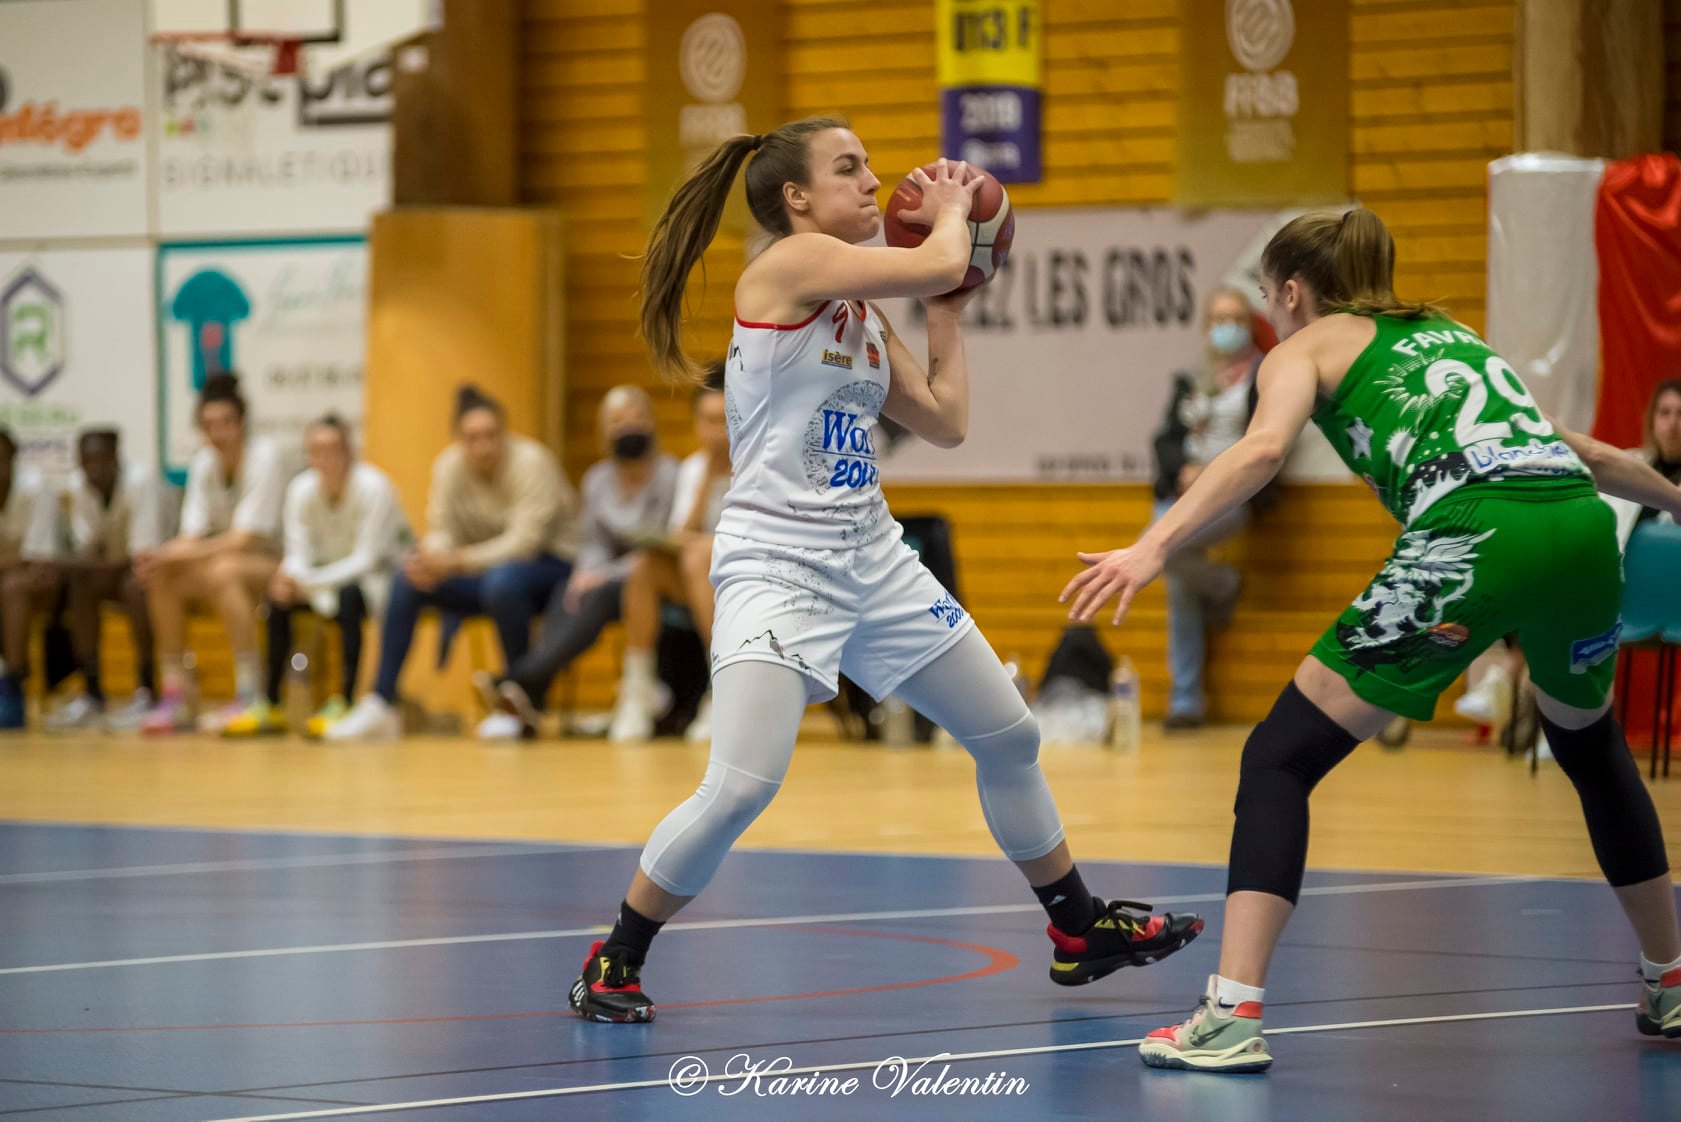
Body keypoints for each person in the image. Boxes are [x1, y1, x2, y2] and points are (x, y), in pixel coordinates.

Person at [567, 118, 1202, 1025]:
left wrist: (947, 315)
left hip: (872, 560)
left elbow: (944, 420)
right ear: (796, 201)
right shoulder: (784, 269)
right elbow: (940, 257)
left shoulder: (860, 318)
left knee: (1009, 737)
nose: (874, 183)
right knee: (742, 784)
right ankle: (614, 958)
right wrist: (954, 213)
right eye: (849, 168)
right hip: (777, 564)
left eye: (870, 168)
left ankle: (1076, 930)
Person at [1061, 207, 1681, 1072]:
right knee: (1589, 745)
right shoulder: (1446, 333)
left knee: (1278, 757)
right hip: (1578, 530)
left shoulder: (1301, 349)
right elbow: (1581, 452)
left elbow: (1261, 448)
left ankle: (1231, 1013)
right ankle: (1671, 980)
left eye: (1270, 301)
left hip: (1475, 535)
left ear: (1288, 290)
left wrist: (1154, 543)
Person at [326, 385, 576, 742]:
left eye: (491, 435)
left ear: (504, 434)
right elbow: (441, 529)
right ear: (459, 439)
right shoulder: (448, 466)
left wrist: (456, 561)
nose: (483, 445)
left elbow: (525, 544)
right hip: (484, 574)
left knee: (505, 581)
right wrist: (433, 560)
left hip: (552, 569)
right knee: (408, 579)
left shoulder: (532, 462)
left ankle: (520, 702)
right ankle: (382, 703)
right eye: (472, 437)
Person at [473, 385, 677, 741]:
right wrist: (586, 573)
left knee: (596, 594)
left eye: (637, 418)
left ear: (652, 424)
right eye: (617, 421)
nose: (628, 427)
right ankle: (528, 691)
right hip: (604, 580)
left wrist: (603, 576)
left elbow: (663, 546)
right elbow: (592, 543)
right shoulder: (597, 480)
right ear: (604, 432)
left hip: (649, 582)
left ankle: (518, 681)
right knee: (569, 589)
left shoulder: (671, 475)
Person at [221, 414, 409, 738]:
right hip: (320, 580)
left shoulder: (375, 487)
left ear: (349, 451)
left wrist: (308, 581)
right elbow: (297, 551)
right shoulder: (300, 489)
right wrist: (289, 577)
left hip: (374, 581)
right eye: (315, 450)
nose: (324, 458)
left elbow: (367, 560)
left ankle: (346, 700)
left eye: (332, 449)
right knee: (278, 594)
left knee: (350, 595)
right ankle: (270, 703)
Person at [137, 373, 288, 735]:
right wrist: (158, 556)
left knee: (224, 569)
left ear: (242, 424)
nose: (217, 433)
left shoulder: (266, 457)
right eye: (207, 425)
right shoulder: (204, 463)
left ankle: (251, 696)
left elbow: (246, 538)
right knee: (161, 577)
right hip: (221, 562)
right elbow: (192, 535)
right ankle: (178, 694)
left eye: (225, 423)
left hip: (275, 565)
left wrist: (180, 555)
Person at [1150, 286, 1268, 729]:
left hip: (1231, 495)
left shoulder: (1264, 378)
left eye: (1236, 319)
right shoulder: (1190, 380)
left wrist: (1213, 473)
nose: (1227, 328)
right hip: (1182, 494)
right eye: (1218, 319)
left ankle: (1185, 697)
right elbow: (1164, 440)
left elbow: (1266, 443)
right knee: (1176, 569)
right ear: (1206, 328)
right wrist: (1182, 469)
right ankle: (1186, 702)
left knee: (1160, 547)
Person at [606, 362, 731, 743]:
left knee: (697, 556)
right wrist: (707, 481)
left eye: (724, 420)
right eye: (706, 421)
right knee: (644, 566)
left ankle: (723, 689)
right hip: (702, 576)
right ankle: (638, 690)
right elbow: (682, 533)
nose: (716, 432)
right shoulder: (694, 468)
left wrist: (706, 544)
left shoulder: (759, 464)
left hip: (751, 577)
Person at [39, 430, 179, 732]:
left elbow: (142, 558)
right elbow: (90, 548)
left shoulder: (141, 482)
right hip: (114, 570)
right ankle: (92, 694)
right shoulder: (79, 486)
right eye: (87, 461)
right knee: (80, 587)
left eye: (102, 460)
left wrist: (84, 563)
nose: (95, 468)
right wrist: (89, 563)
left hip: (161, 572)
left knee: (136, 585)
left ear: (117, 459)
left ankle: (147, 690)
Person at [0, 429, 63, 728]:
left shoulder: (37, 488)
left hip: (58, 586)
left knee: (13, 588)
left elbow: (39, 563)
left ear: (12, 459)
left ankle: (13, 688)